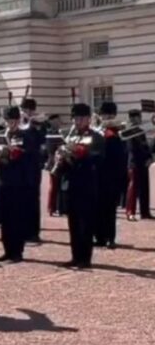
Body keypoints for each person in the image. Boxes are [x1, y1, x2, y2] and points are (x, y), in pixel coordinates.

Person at [55, 103, 105, 269]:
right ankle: (75, 256)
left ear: (88, 119)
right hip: (70, 184)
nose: (78, 121)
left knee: (85, 223)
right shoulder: (70, 136)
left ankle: (85, 258)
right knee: (73, 223)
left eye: (81, 118)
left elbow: (98, 158)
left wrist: (80, 153)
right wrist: (61, 158)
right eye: (76, 118)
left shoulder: (96, 137)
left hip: (86, 184)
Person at [0, 107, 35, 263]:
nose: (11, 123)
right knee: (4, 218)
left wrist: (13, 153)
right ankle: (7, 250)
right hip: (2, 180)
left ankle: (17, 251)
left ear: (18, 120)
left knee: (16, 218)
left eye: (13, 120)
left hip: (18, 182)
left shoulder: (24, 136)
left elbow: (30, 157)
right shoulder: (0, 136)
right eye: (8, 121)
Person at [94, 102, 125, 248]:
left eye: (109, 114)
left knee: (109, 209)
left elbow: (119, 156)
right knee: (98, 207)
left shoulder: (116, 133)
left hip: (111, 176)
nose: (106, 116)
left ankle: (110, 237)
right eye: (104, 114)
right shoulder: (97, 131)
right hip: (97, 175)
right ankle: (99, 236)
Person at [21, 98, 47, 242]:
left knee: (33, 199)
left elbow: (41, 141)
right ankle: (23, 230)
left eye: (29, 110)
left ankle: (33, 232)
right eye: (25, 110)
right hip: (20, 167)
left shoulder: (38, 124)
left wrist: (33, 125)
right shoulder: (19, 123)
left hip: (33, 166)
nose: (27, 112)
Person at [125, 109, 153, 220]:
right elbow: (132, 148)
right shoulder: (129, 131)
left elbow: (145, 146)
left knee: (144, 188)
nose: (139, 119)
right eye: (137, 117)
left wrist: (149, 157)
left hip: (143, 163)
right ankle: (130, 212)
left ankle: (144, 212)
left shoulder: (140, 131)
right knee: (133, 188)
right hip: (134, 163)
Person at [45, 114, 65, 217]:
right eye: (57, 120)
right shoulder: (50, 133)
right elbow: (51, 148)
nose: (59, 122)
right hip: (53, 161)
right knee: (54, 186)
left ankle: (60, 207)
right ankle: (51, 207)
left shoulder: (59, 132)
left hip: (60, 161)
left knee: (60, 186)